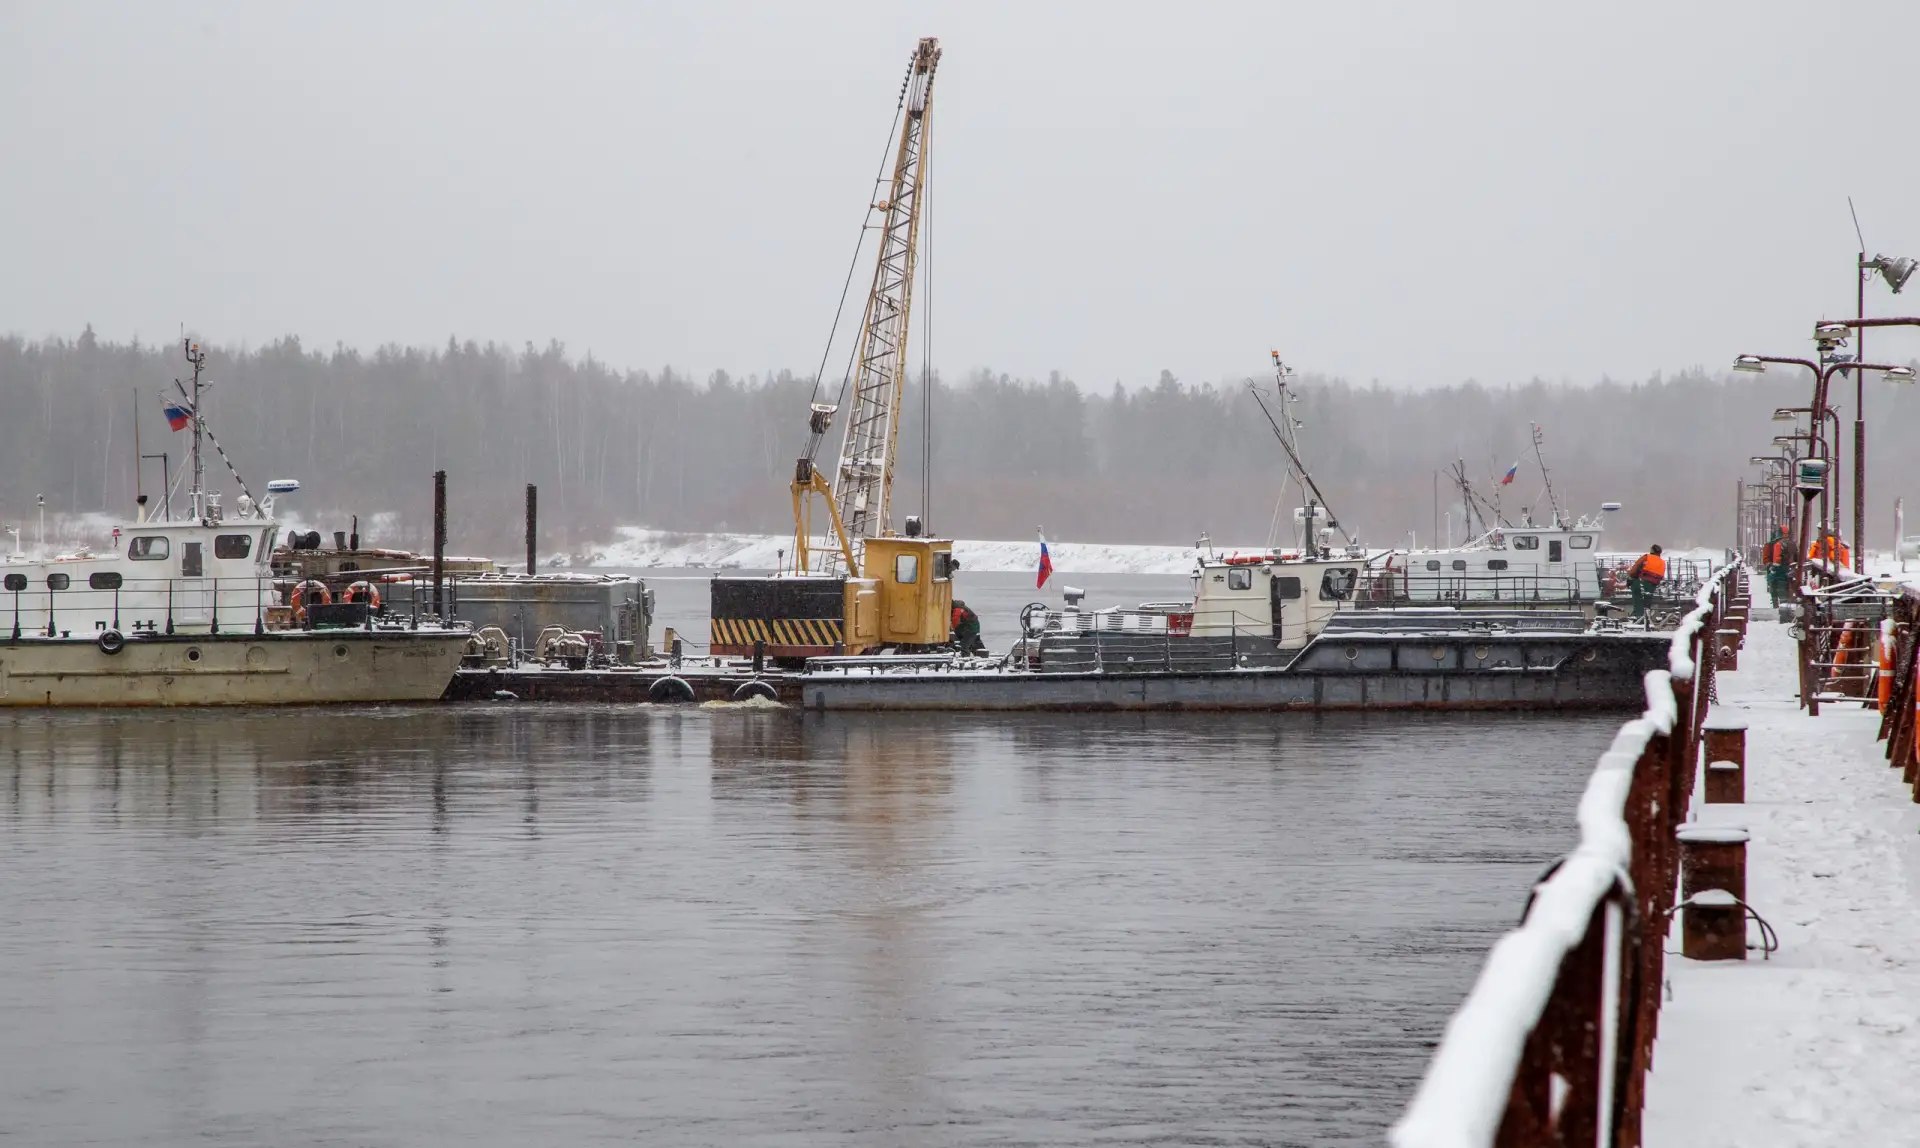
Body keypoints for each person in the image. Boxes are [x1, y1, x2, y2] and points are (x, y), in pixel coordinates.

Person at [1626, 543, 1666, 620]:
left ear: (1652, 550)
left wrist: (1630, 578)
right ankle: (1646, 618)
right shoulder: (1662, 562)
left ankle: (1638, 617)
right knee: (1647, 601)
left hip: (1641, 581)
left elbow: (1636, 567)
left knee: (1638, 599)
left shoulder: (1646, 557)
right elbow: (1661, 575)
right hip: (1652, 585)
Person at [1762, 524, 1792, 607]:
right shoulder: (1770, 545)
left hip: (1784, 570)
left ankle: (1782, 604)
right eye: (1784, 534)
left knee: (1782, 588)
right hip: (1775, 570)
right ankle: (1776, 604)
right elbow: (1766, 558)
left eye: (1786, 534)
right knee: (1774, 587)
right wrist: (1770, 565)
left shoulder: (1788, 544)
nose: (1785, 536)